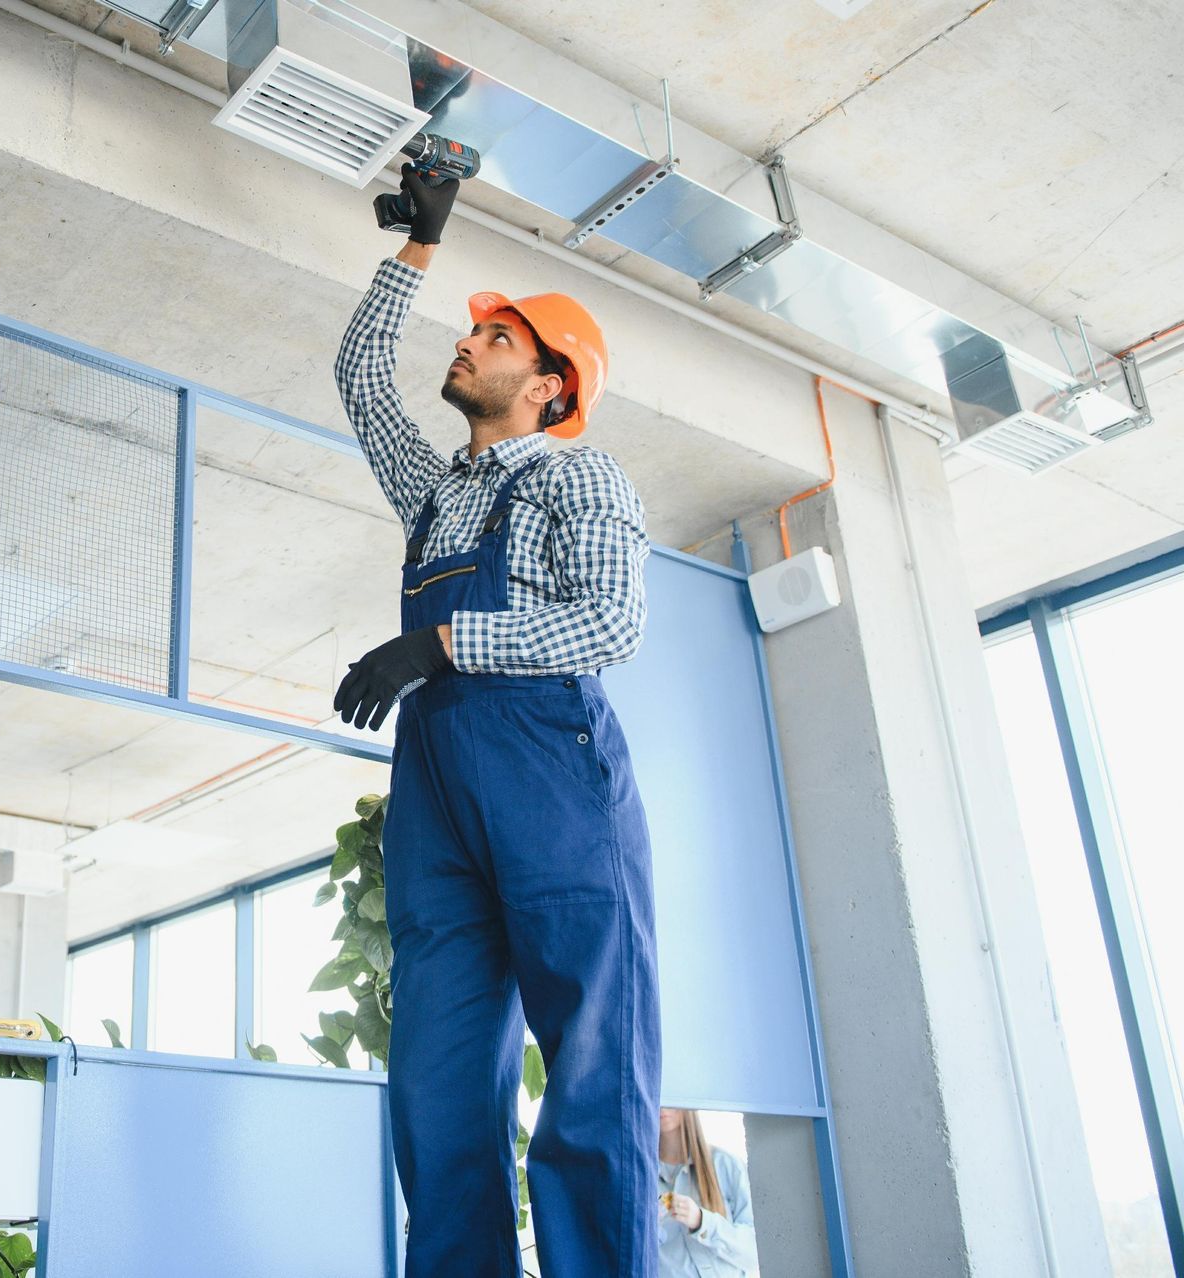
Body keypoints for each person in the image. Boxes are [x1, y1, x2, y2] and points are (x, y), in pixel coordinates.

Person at [332, 164, 659, 1277]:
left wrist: (442, 644)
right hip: (438, 786)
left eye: (501, 340)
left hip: (551, 777)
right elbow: (361, 376)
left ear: (551, 389)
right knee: (437, 1076)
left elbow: (612, 621)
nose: (469, 345)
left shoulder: (584, 480)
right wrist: (417, 248)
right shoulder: (436, 492)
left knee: (591, 1064)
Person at [658, 1108, 761, 1276]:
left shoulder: (726, 1165)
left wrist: (702, 1221)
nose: (663, 1107)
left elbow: (755, 1254)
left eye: (669, 1097)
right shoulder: (637, 1178)